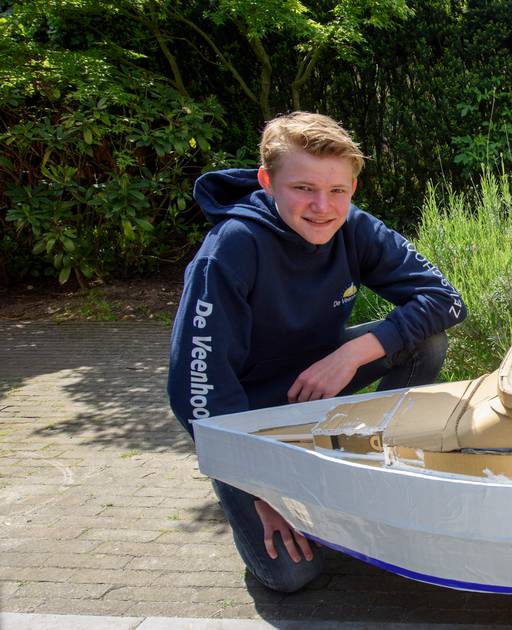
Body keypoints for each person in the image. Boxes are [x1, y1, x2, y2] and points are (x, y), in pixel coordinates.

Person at [167, 111, 466, 592]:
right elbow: (196, 392)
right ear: (267, 181)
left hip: (316, 382)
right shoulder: (229, 251)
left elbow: (445, 300)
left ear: (352, 188)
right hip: (244, 420)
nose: (322, 207)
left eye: (337, 191)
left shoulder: (353, 226)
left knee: (425, 341)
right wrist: (259, 488)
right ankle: (241, 491)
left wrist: (350, 356)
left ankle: (369, 465)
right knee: (292, 575)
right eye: (303, 188)